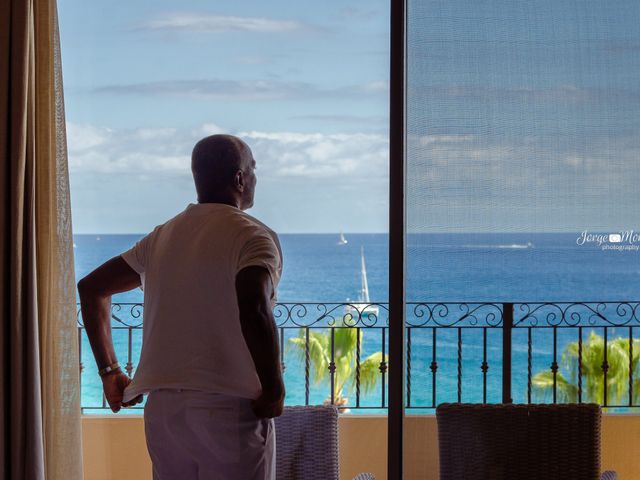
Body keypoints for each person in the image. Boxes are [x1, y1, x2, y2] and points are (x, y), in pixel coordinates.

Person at [77, 134, 284, 480]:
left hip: (165, 410)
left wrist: (110, 372)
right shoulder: (253, 236)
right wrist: (274, 387)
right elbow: (254, 303)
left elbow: (92, 288)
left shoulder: (164, 235)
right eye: (253, 169)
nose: (256, 178)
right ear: (239, 178)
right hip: (230, 406)